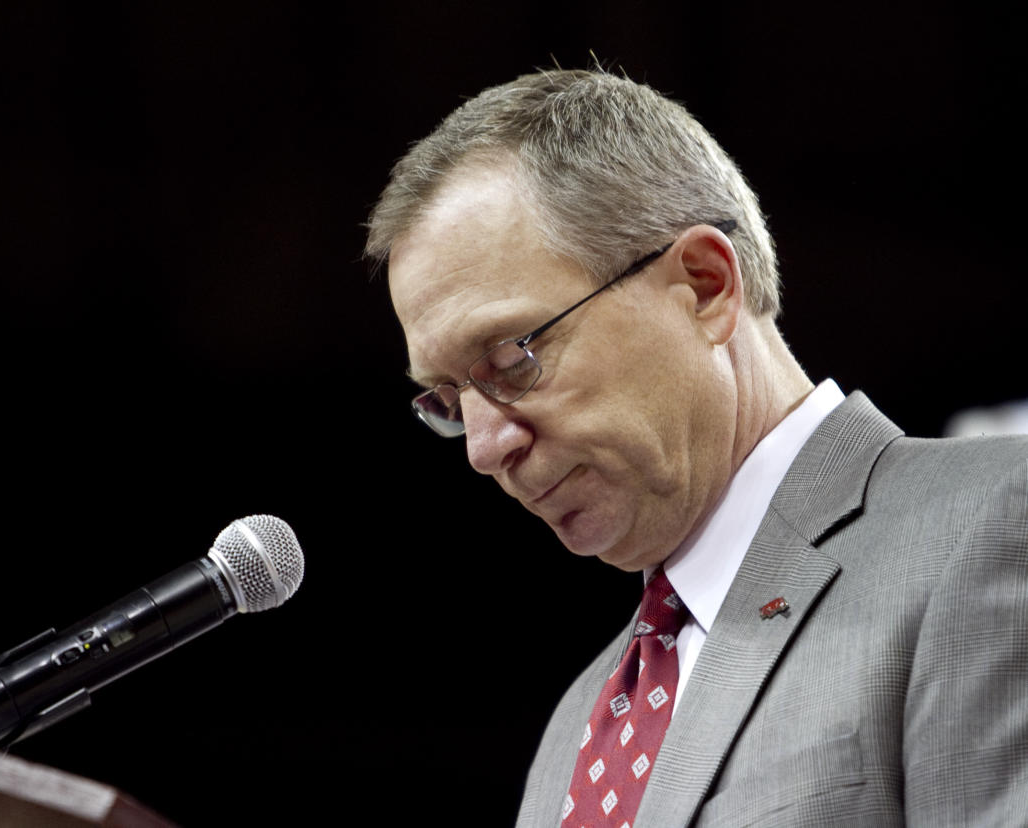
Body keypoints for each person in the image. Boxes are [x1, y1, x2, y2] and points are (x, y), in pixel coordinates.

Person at [365, 68, 1027, 826]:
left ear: (707, 286)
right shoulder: (574, 732)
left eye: (514, 361)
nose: (483, 449)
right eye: (450, 399)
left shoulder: (993, 525)